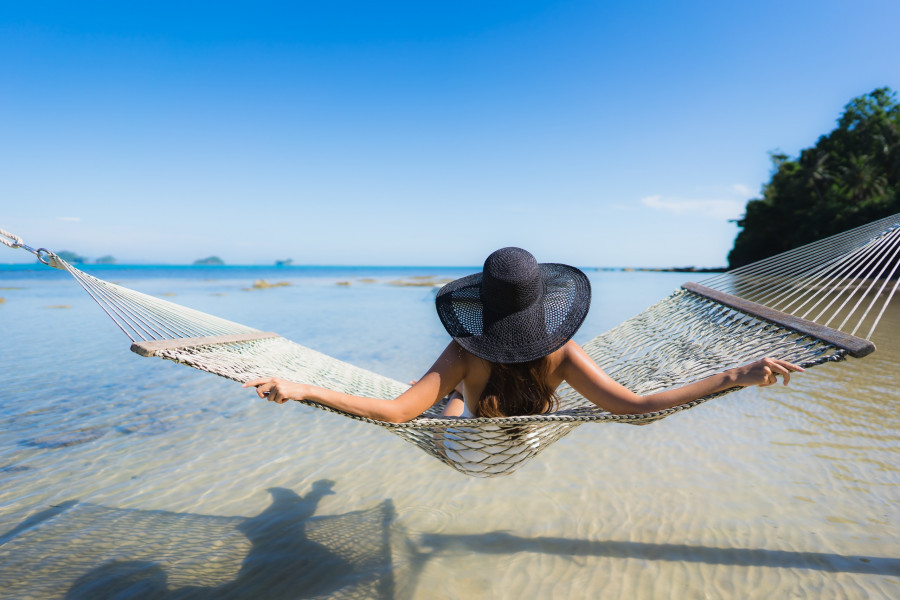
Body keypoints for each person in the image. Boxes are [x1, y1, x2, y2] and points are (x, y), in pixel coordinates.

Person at [245, 247, 802, 422]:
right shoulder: (560, 354)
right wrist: (737, 374)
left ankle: (456, 407)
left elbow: (395, 412)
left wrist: (302, 387)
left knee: (446, 407)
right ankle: (457, 407)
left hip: (472, 414)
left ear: (481, 303)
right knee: (455, 405)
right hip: (525, 418)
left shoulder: (464, 352)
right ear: (542, 302)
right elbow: (638, 406)